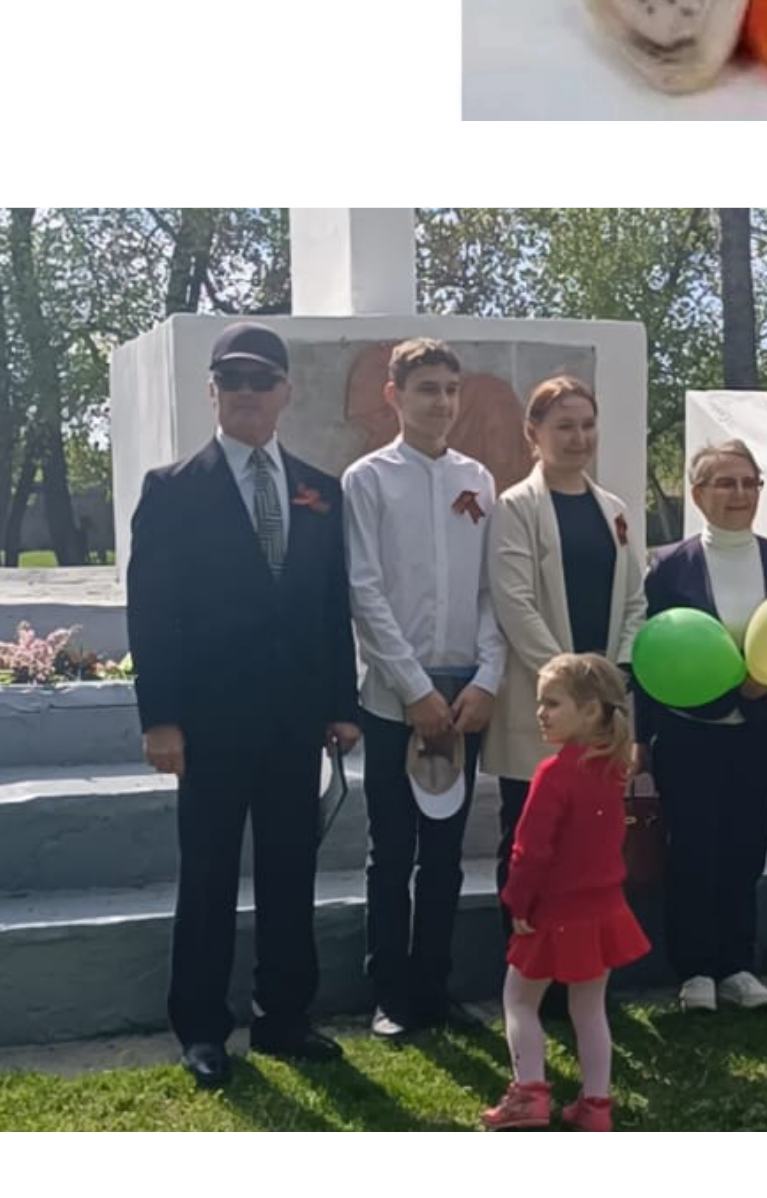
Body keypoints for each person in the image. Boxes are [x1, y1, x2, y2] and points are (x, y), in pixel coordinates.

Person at [126, 319, 359, 1085]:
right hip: (209, 725)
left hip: (295, 725)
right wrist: (159, 717)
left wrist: (340, 704)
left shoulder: (320, 491)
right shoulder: (171, 490)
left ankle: (285, 1020)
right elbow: (152, 611)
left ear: (286, 392)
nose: (248, 393)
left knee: (292, 873)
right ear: (213, 391)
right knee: (209, 877)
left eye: (263, 381)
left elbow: (330, 606)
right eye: (234, 381)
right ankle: (201, 1028)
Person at [342, 338, 505, 1038]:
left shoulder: (480, 479)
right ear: (395, 396)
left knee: (444, 852)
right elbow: (364, 589)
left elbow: (492, 591)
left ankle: (435, 987)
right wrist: (412, 688)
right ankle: (391, 991)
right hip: (394, 698)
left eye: (449, 389)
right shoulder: (368, 480)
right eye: (426, 388)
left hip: (462, 695)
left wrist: (489, 677)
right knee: (393, 850)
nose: (440, 402)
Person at [637, 437, 767, 1009]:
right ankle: (693, 972)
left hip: (757, 727)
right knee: (690, 847)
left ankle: (737, 963)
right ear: (698, 492)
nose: (738, 494)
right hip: (687, 731)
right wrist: (640, 739)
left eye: (748, 483)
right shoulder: (667, 567)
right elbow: (651, 655)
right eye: (724, 482)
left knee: (744, 846)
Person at [481, 652, 647, 1131]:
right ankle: (596, 1106)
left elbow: (529, 850)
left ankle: (528, 1095)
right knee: (589, 1008)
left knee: (518, 1001)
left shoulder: (553, 774)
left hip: (552, 911)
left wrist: (518, 901)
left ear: (592, 711)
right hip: (602, 908)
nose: (541, 713)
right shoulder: (613, 770)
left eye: (552, 703)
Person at [488, 373, 645, 857]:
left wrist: (615, 674)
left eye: (587, 425)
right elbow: (514, 602)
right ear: (533, 433)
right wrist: (570, 685)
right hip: (548, 701)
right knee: (529, 841)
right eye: (564, 427)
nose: (579, 438)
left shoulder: (613, 509)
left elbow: (636, 597)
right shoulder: (515, 508)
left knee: (591, 846)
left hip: (601, 707)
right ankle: (523, 933)